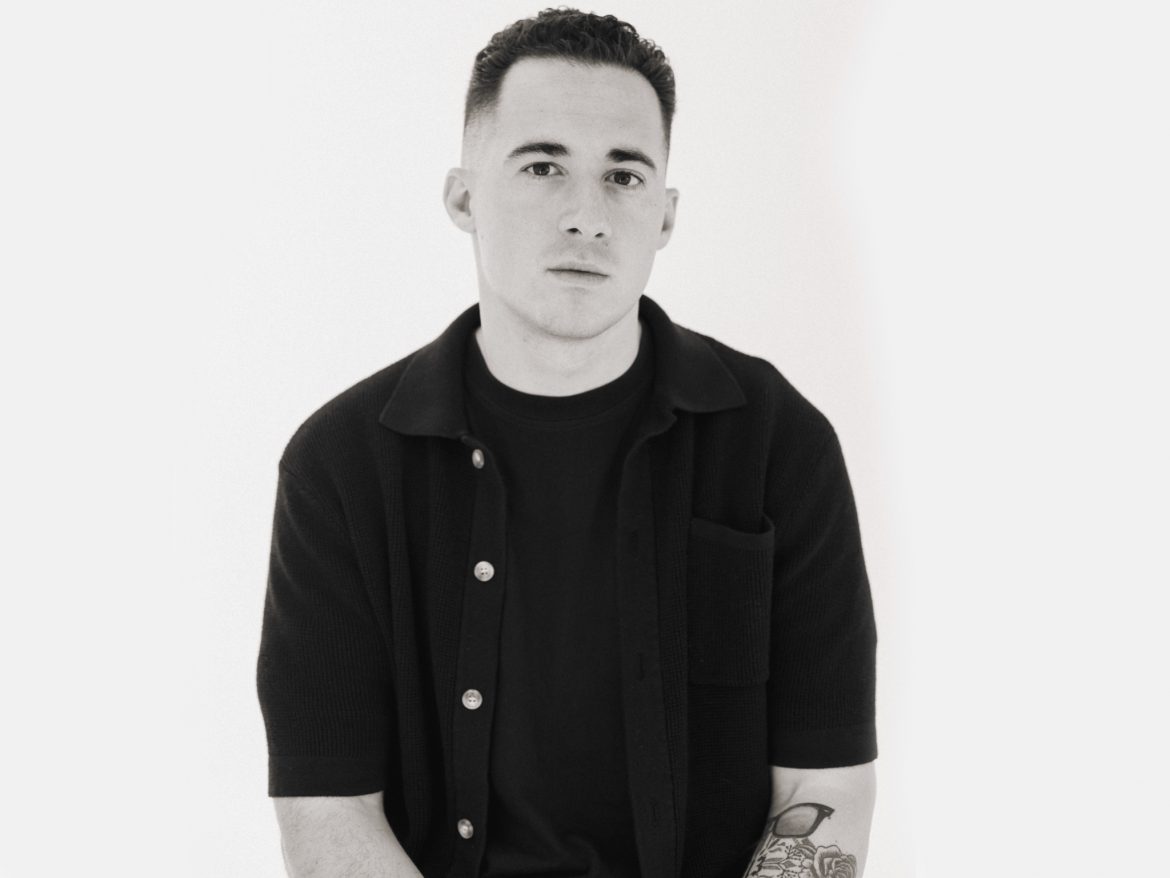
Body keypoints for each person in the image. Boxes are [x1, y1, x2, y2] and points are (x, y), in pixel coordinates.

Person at [257, 8, 877, 878]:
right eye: (543, 166)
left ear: (665, 215)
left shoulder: (780, 441)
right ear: (463, 198)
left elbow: (826, 785)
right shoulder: (340, 465)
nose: (587, 215)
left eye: (623, 175)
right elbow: (327, 810)